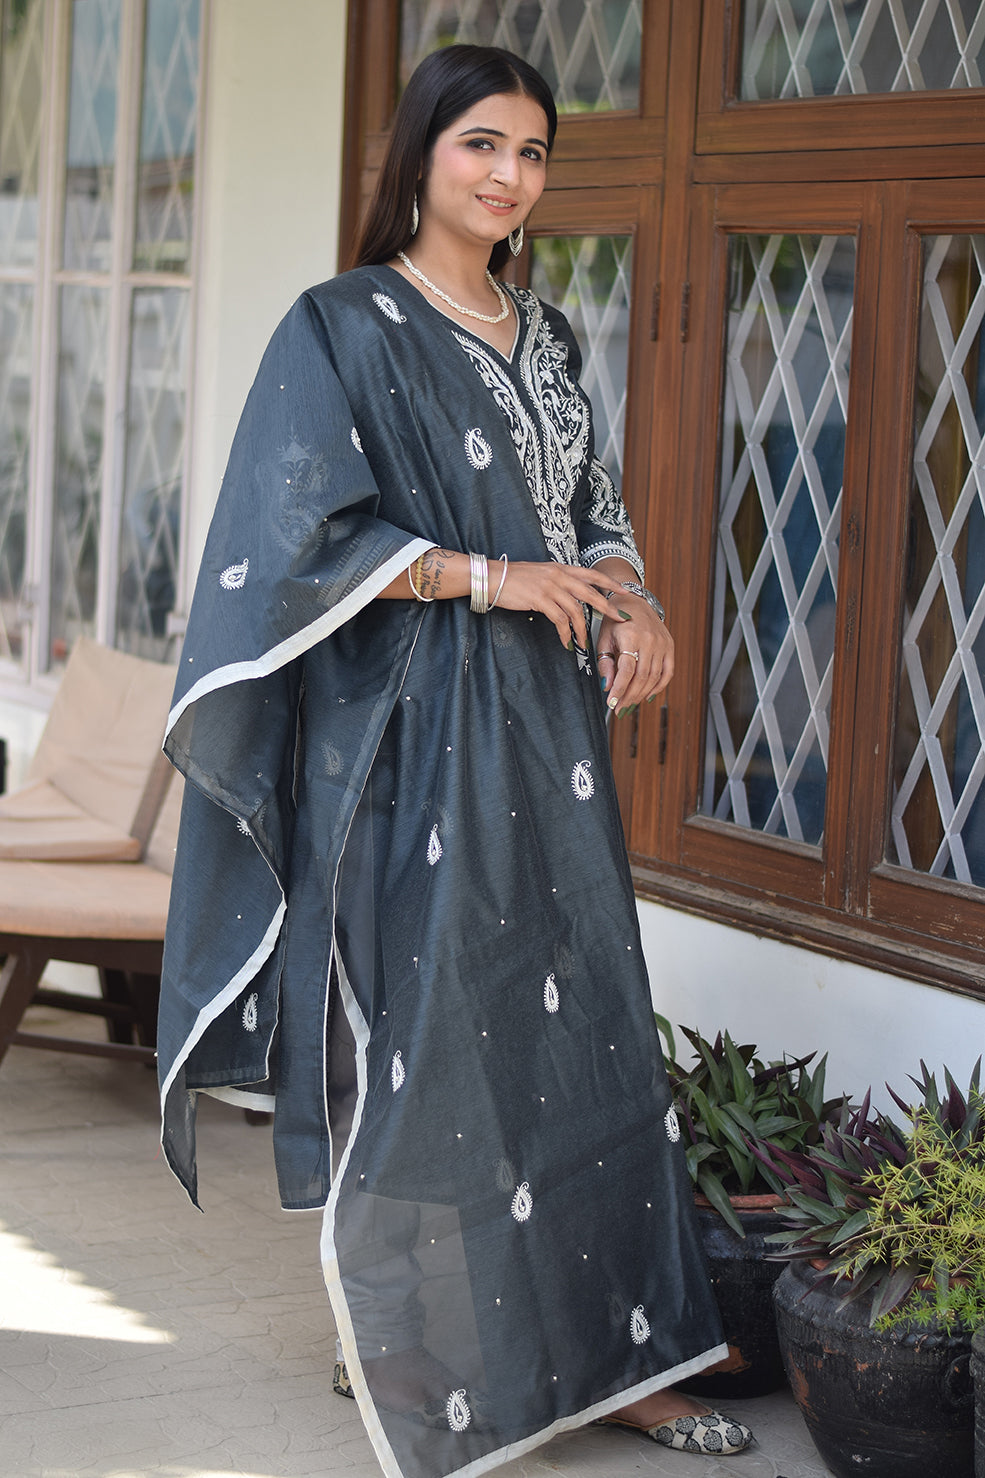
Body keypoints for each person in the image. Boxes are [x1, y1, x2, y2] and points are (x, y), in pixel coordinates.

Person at [157, 42, 754, 1478]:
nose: (508, 177)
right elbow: (294, 538)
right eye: (481, 144)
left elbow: (590, 511)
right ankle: (410, 1338)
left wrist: (637, 598)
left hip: (546, 737)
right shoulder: (343, 324)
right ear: (419, 155)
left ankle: (612, 1351)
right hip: (408, 734)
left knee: (576, 1018)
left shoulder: (542, 339)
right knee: (424, 1036)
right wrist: (489, 578)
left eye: (533, 154)